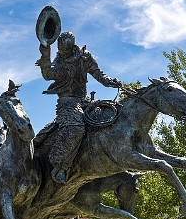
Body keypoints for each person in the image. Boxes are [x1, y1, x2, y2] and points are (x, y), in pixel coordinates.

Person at [36, 31, 122, 183]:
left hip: (84, 99)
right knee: (75, 127)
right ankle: (60, 165)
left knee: (108, 116)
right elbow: (48, 74)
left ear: (71, 45)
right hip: (67, 101)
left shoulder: (84, 56)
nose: (62, 51)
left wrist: (110, 82)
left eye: (65, 48)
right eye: (60, 48)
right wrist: (45, 56)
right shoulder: (59, 63)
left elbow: (98, 74)